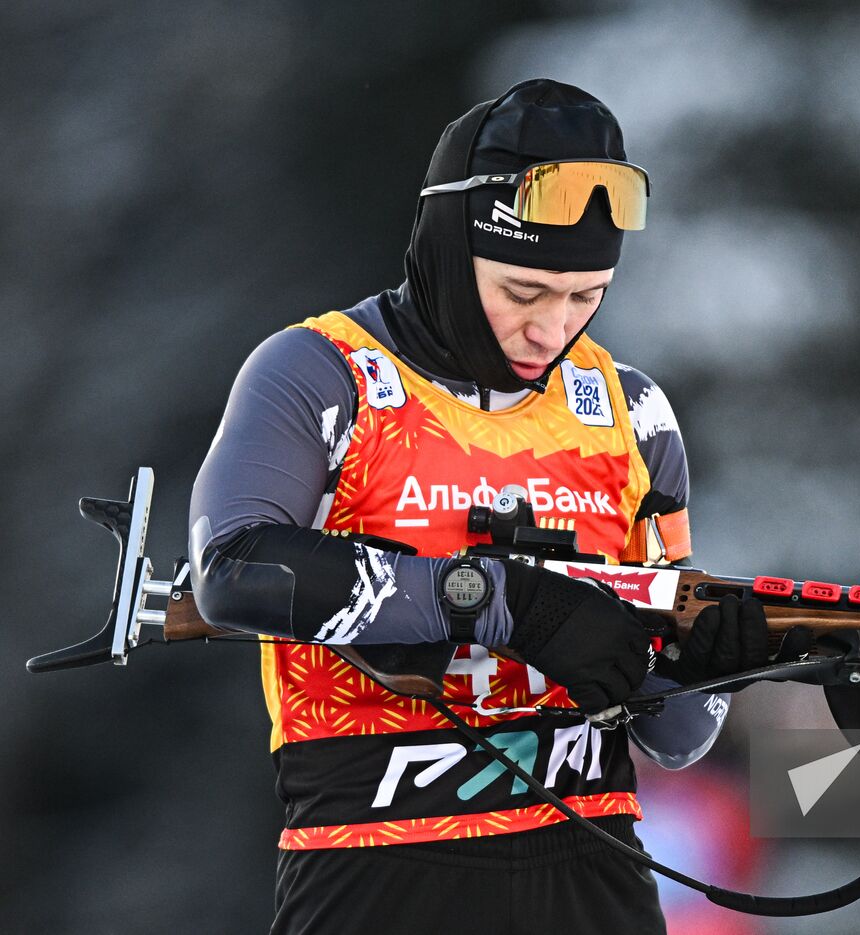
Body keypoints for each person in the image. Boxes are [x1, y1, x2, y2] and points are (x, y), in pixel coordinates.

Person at [188, 78, 771, 935]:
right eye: (524, 292)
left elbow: (676, 738)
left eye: (586, 297)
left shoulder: (629, 413)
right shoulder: (323, 373)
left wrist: (709, 664)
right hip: (377, 862)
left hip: (592, 868)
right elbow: (232, 567)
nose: (552, 330)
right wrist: (505, 602)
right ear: (451, 244)